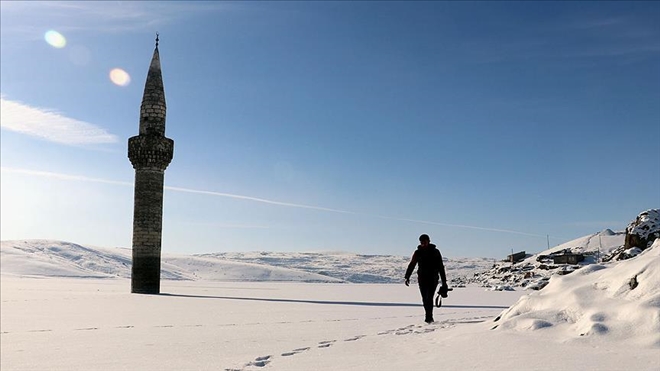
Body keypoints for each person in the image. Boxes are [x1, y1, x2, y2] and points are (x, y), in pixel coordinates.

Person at [405, 234, 448, 323]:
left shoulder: (435, 252)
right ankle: (428, 316)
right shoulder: (417, 252)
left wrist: (444, 282)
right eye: (421, 242)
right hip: (422, 278)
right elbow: (412, 264)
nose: (423, 244)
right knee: (425, 298)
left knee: (429, 297)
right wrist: (407, 276)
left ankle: (429, 317)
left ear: (429, 241)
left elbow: (441, 267)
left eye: (424, 242)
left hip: (433, 278)